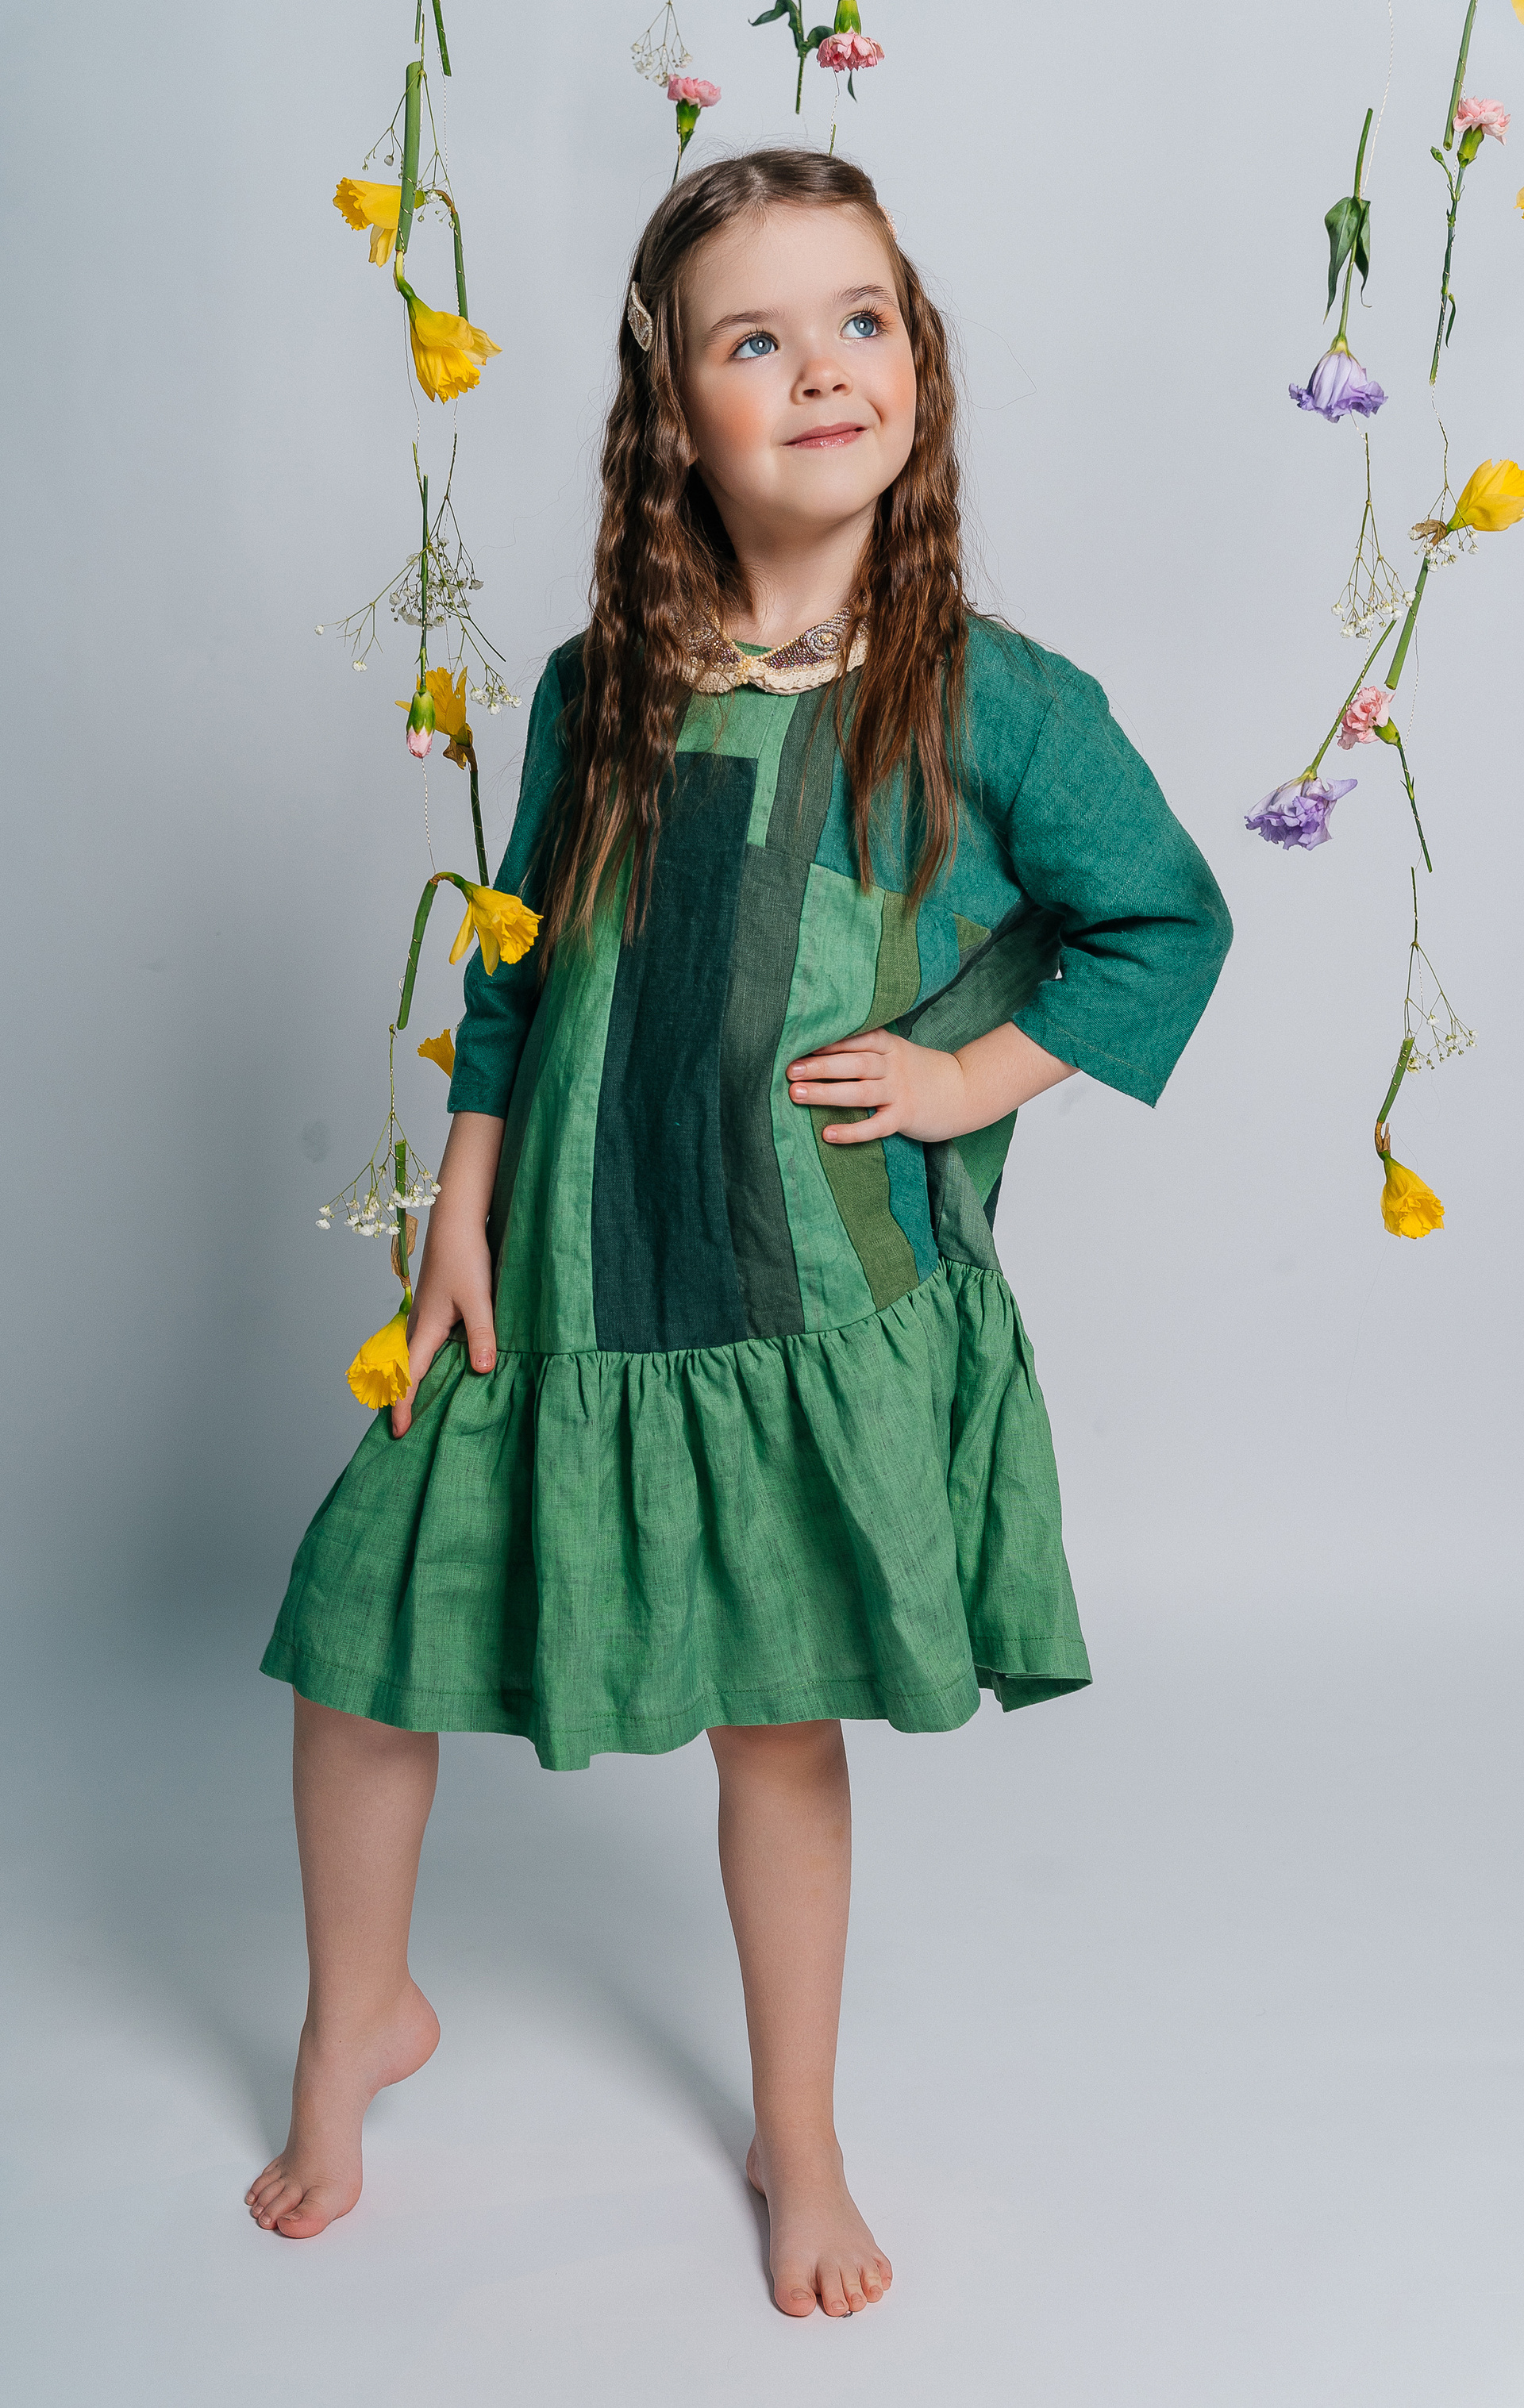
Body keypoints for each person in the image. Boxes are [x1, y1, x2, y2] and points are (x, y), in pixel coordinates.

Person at [250, 148, 1232, 2314]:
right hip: (560, 1281)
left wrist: (966, 1081)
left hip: (792, 1296)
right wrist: (460, 1211)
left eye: (861, 320)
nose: (821, 369)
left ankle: (801, 2133)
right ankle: (358, 2016)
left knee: (775, 1730)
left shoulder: (991, 697)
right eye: (755, 339)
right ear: (671, 410)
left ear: (920, 361)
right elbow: (516, 968)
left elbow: (1167, 917)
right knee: (355, 1638)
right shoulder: (596, 681)